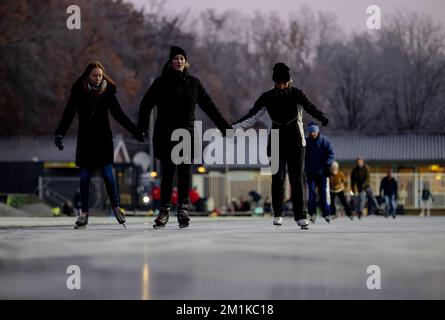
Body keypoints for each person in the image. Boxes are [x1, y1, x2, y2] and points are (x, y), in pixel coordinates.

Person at [138, 46, 232, 229]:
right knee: (167, 173)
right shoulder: (161, 82)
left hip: (186, 134)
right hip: (166, 133)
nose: (179, 61)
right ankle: (164, 211)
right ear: (170, 61)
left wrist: (224, 127)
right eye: (176, 58)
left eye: (182, 58)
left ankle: (183, 209)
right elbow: (146, 104)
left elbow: (209, 106)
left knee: (184, 173)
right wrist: (142, 129)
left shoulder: (193, 83)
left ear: (185, 62)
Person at [232, 62, 329, 230]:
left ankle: (301, 215)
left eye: (285, 83)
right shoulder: (267, 97)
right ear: (274, 82)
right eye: (279, 83)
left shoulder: (297, 94)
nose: (282, 86)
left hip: (297, 142)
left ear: (289, 81)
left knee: (297, 179)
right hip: (276, 141)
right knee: (277, 178)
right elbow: (252, 115)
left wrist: (322, 117)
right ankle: (278, 213)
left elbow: (310, 108)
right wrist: (233, 127)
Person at [55, 61, 145, 229]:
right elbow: (68, 113)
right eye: (94, 75)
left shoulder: (108, 92)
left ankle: (117, 208)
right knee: (84, 179)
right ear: (88, 76)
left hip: (103, 141)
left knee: (109, 177)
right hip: (85, 142)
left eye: (100, 75)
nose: (97, 78)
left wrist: (136, 131)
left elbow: (119, 115)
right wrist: (60, 134)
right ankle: (84, 214)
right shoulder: (79, 92)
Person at [305, 122, 334, 223]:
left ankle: (326, 213)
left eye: (314, 131)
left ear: (317, 131)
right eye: (310, 131)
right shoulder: (306, 141)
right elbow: (301, 155)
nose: (312, 133)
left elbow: (330, 153)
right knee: (311, 193)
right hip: (310, 172)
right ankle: (311, 212)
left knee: (323, 193)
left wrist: (327, 164)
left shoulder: (324, 141)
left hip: (322, 173)